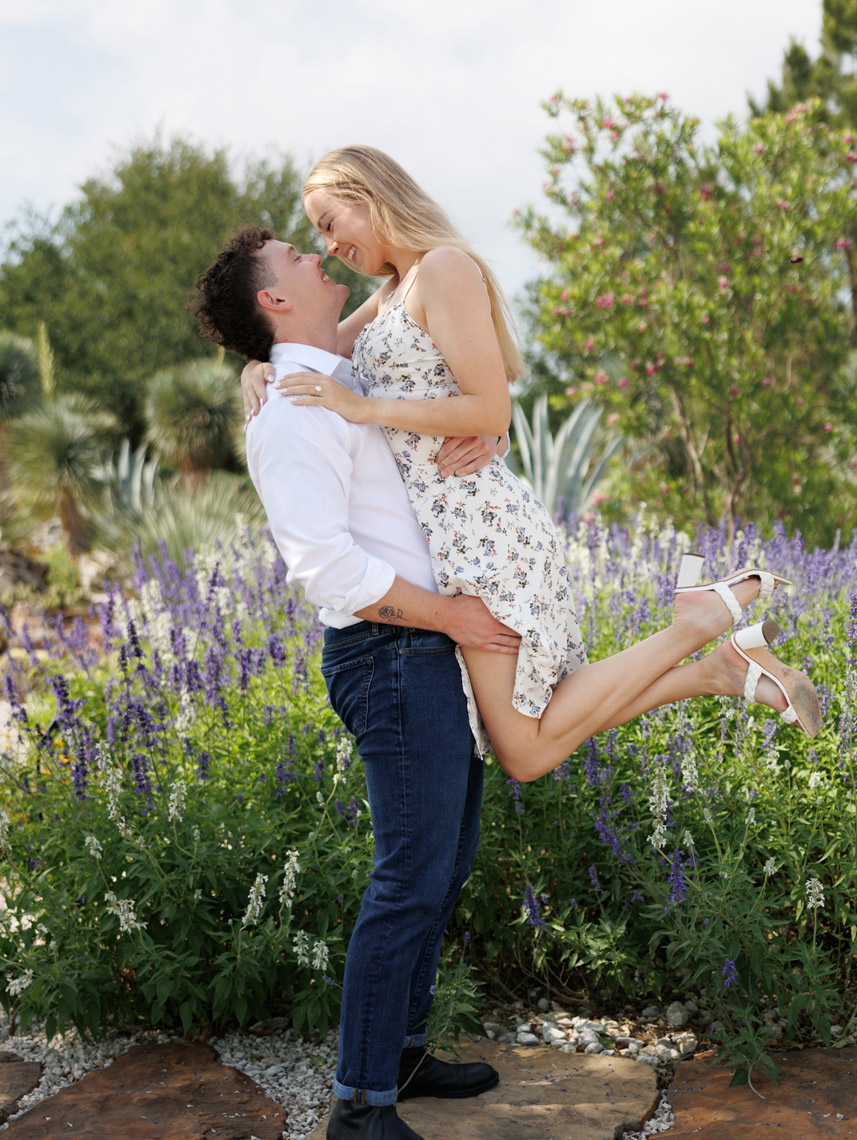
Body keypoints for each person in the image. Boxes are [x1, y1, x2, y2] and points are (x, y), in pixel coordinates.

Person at [242, 145, 821, 783]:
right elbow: (306, 345)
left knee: (527, 749)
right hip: (452, 535)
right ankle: (717, 668)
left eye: (329, 224)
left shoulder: (443, 268)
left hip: (479, 530)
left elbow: (490, 409)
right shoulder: (388, 296)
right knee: (532, 738)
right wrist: (255, 363)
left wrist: (365, 407)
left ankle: (702, 629)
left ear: (370, 197)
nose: (326, 248)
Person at [192, 227, 521, 1140]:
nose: (316, 256)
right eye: (297, 254)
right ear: (275, 302)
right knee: (407, 881)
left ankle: (405, 1053)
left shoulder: (325, 375)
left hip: (419, 650)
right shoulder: (293, 411)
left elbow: (427, 342)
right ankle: (360, 1114)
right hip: (390, 651)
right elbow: (324, 566)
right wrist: (450, 615)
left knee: (444, 863)